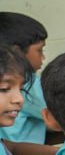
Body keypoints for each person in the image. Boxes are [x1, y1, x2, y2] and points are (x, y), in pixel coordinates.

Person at [0, 12, 49, 144]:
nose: (20, 98)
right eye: (40, 50)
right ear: (17, 52)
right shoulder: (28, 82)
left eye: (21, 89)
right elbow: (62, 114)